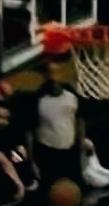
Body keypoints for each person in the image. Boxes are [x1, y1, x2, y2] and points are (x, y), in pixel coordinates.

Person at [31, 59, 85, 187]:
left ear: (61, 73)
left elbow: (80, 120)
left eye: (55, 73)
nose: (53, 77)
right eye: (49, 73)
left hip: (70, 151)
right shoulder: (36, 99)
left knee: (72, 186)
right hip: (47, 152)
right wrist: (32, 161)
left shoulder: (72, 95)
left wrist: (81, 145)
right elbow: (29, 130)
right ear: (44, 76)